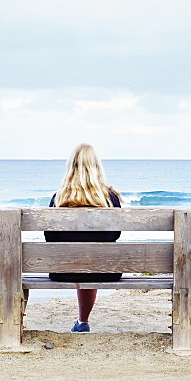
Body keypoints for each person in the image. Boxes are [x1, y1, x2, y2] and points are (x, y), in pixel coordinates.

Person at [45, 143, 122, 333]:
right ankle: (82, 321)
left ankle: (82, 323)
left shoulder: (59, 199)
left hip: (63, 271)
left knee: (83, 261)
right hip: (104, 271)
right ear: (97, 167)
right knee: (92, 261)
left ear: (71, 167)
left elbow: (49, 237)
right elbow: (116, 234)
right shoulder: (110, 198)